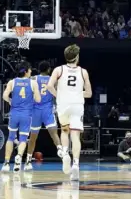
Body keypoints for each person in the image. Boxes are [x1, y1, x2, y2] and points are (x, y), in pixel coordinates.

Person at [47, 44, 92, 181]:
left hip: (63, 104)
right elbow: (89, 93)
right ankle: (76, 165)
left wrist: (59, 95)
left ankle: (65, 154)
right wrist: (77, 93)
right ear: (77, 57)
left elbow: (49, 86)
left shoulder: (58, 70)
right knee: (76, 135)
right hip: (77, 104)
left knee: (64, 131)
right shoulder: (83, 72)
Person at [2, 61, 41, 172]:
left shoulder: (12, 82)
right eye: (30, 70)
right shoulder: (33, 83)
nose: (31, 71)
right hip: (26, 114)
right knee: (23, 139)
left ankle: (6, 163)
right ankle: (19, 156)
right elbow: (38, 100)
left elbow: (4, 95)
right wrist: (30, 101)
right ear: (26, 71)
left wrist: (10, 100)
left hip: (14, 113)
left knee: (10, 138)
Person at [24, 61, 62, 171]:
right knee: (54, 133)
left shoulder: (33, 79)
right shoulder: (52, 79)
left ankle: (28, 161)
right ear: (49, 69)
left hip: (35, 110)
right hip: (48, 110)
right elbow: (57, 93)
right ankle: (61, 151)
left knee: (32, 138)